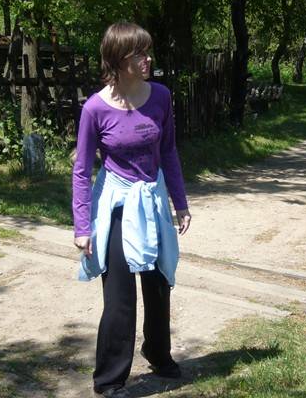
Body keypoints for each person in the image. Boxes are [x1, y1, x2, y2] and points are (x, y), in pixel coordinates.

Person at [72, 22, 191, 397]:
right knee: (120, 296)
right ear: (118, 60)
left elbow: (168, 151)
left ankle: (158, 353)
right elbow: (81, 169)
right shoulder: (95, 108)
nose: (147, 59)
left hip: (152, 198)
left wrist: (180, 202)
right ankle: (109, 379)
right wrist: (82, 226)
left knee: (158, 284)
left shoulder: (161, 97)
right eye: (139, 54)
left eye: (147, 51)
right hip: (117, 205)